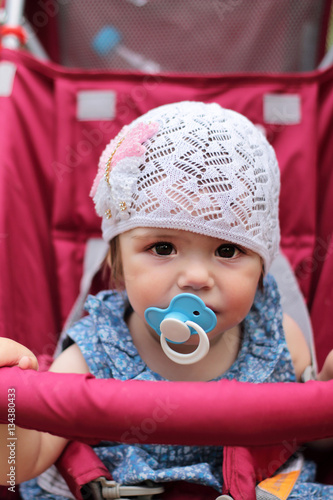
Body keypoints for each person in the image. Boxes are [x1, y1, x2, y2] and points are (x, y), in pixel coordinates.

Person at [1, 101, 333, 499]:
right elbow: (22, 464)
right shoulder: (95, 351)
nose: (195, 277)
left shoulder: (277, 338)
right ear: (118, 264)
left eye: (227, 251)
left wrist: (325, 394)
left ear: (262, 266)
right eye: (162, 247)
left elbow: (313, 442)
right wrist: (10, 415)